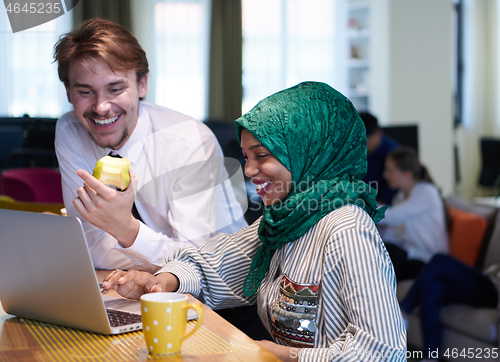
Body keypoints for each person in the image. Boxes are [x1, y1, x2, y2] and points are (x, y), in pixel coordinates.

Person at [102, 82, 407, 361]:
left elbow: (385, 350)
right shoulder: (285, 220)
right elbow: (214, 264)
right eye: (246, 157)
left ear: (306, 152)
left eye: (261, 156)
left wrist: (286, 355)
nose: (248, 171)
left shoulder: (346, 229)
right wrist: (162, 282)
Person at [53, 18, 247, 272]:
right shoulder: (71, 130)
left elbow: (196, 265)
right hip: (133, 286)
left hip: (226, 294)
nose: (101, 107)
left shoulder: (189, 141)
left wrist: (125, 229)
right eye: (85, 92)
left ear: (142, 84)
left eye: (115, 88)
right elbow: (89, 243)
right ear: (68, 92)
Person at [400, 253, 498, 362]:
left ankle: (402, 313)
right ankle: (430, 358)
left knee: (439, 260)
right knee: (431, 289)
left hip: (493, 290)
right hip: (488, 278)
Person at [377, 146, 449, 281]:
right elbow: (393, 232)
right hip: (411, 254)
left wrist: (360, 204)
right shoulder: (399, 197)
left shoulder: (426, 193)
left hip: (428, 259)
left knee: (390, 253)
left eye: (390, 171)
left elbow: (392, 216)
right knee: (380, 250)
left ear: (407, 174)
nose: (385, 175)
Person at [359, 112, 399, 205]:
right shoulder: (353, 148)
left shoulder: (392, 153)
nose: (363, 145)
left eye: (367, 140)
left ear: (378, 133)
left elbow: (394, 190)